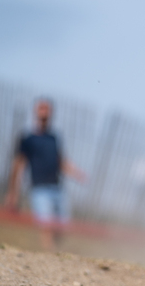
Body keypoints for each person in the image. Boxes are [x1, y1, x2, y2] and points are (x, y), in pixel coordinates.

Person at [5, 99, 86, 250]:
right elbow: (19, 165)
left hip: (57, 188)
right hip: (39, 189)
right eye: (41, 109)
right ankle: (49, 253)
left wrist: (76, 173)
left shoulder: (54, 138)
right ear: (36, 112)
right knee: (46, 226)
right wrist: (13, 192)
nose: (44, 112)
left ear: (51, 113)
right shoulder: (28, 139)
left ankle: (55, 253)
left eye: (47, 109)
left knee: (62, 227)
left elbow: (60, 161)